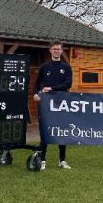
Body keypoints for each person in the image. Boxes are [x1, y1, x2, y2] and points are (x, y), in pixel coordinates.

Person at [33, 41, 73, 170]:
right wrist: (35, 94)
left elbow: (68, 84)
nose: (56, 51)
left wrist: (51, 88)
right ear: (50, 50)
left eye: (59, 49)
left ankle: (62, 160)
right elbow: (37, 82)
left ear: (62, 51)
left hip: (62, 103)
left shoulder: (67, 67)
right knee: (46, 131)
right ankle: (42, 159)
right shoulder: (44, 67)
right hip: (47, 104)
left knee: (62, 132)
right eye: (54, 49)